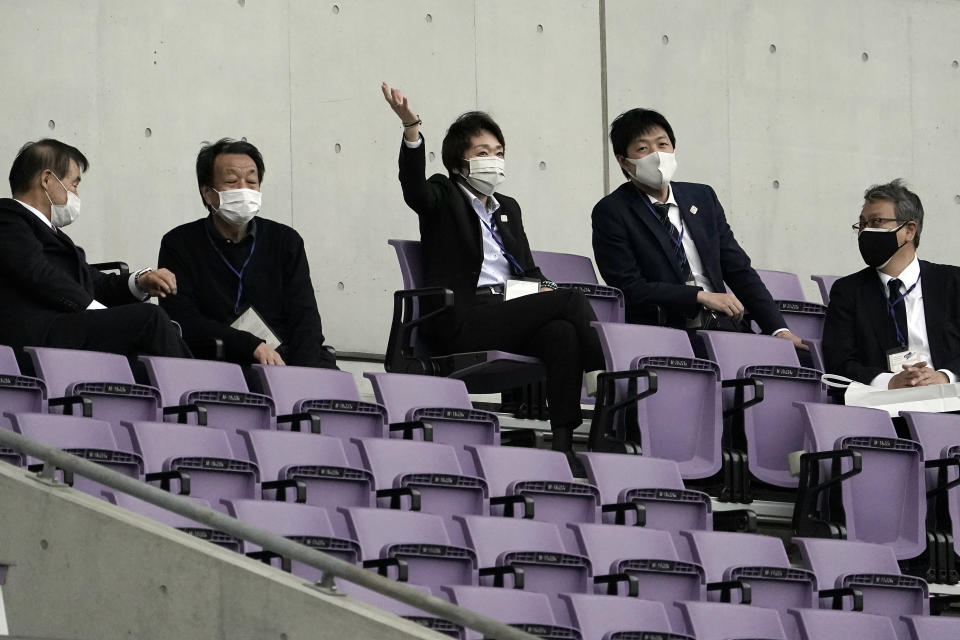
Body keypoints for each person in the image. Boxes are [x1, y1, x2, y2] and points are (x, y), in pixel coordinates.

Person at [381, 82, 604, 459]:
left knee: (562, 332)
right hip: (462, 318)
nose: (494, 160)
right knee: (573, 298)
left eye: (499, 153)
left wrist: (544, 289)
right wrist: (411, 129)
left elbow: (527, 271)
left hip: (507, 310)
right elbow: (413, 189)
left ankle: (563, 444)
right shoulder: (443, 194)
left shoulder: (508, 208)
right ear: (458, 163)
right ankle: (602, 374)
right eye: (483, 152)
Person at [591, 108, 804, 348]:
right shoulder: (612, 211)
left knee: (803, 360)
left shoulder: (702, 198)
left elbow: (739, 270)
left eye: (663, 144)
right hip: (666, 330)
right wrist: (699, 297)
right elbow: (630, 287)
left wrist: (778, 329)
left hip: (724, 326)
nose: (657, 155)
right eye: (643, 149)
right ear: (624, 161)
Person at [0, 139, 189, 358]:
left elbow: (94, 283)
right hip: (35, 334)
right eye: (74, 184)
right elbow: (38, 273)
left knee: (158, 337)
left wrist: (140, 282)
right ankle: (198, 390)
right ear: (47, 179)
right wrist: (95, 310)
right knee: (150, 319)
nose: (76, 195)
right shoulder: (7, 218)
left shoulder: (54, 235)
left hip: (65, 329)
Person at [157, 138, 336, 368]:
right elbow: (182, 320)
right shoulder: (179, 243)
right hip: (216, 360)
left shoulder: (285, 241)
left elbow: (305, 318)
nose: (244, 189)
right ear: (208, 194)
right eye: (232, 181)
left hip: (284, 359)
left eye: (252, 181)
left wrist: (301, 374)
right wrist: (249, 344)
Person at [823, 179, 960, 388]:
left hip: (950, 400)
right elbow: (839, 362)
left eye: (876, 222)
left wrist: (945, 376)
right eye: (862, 224)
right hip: (885, 409)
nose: (865, 231)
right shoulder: (848, 291)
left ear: (909, 230)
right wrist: (889, 382)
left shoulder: (953, 282)